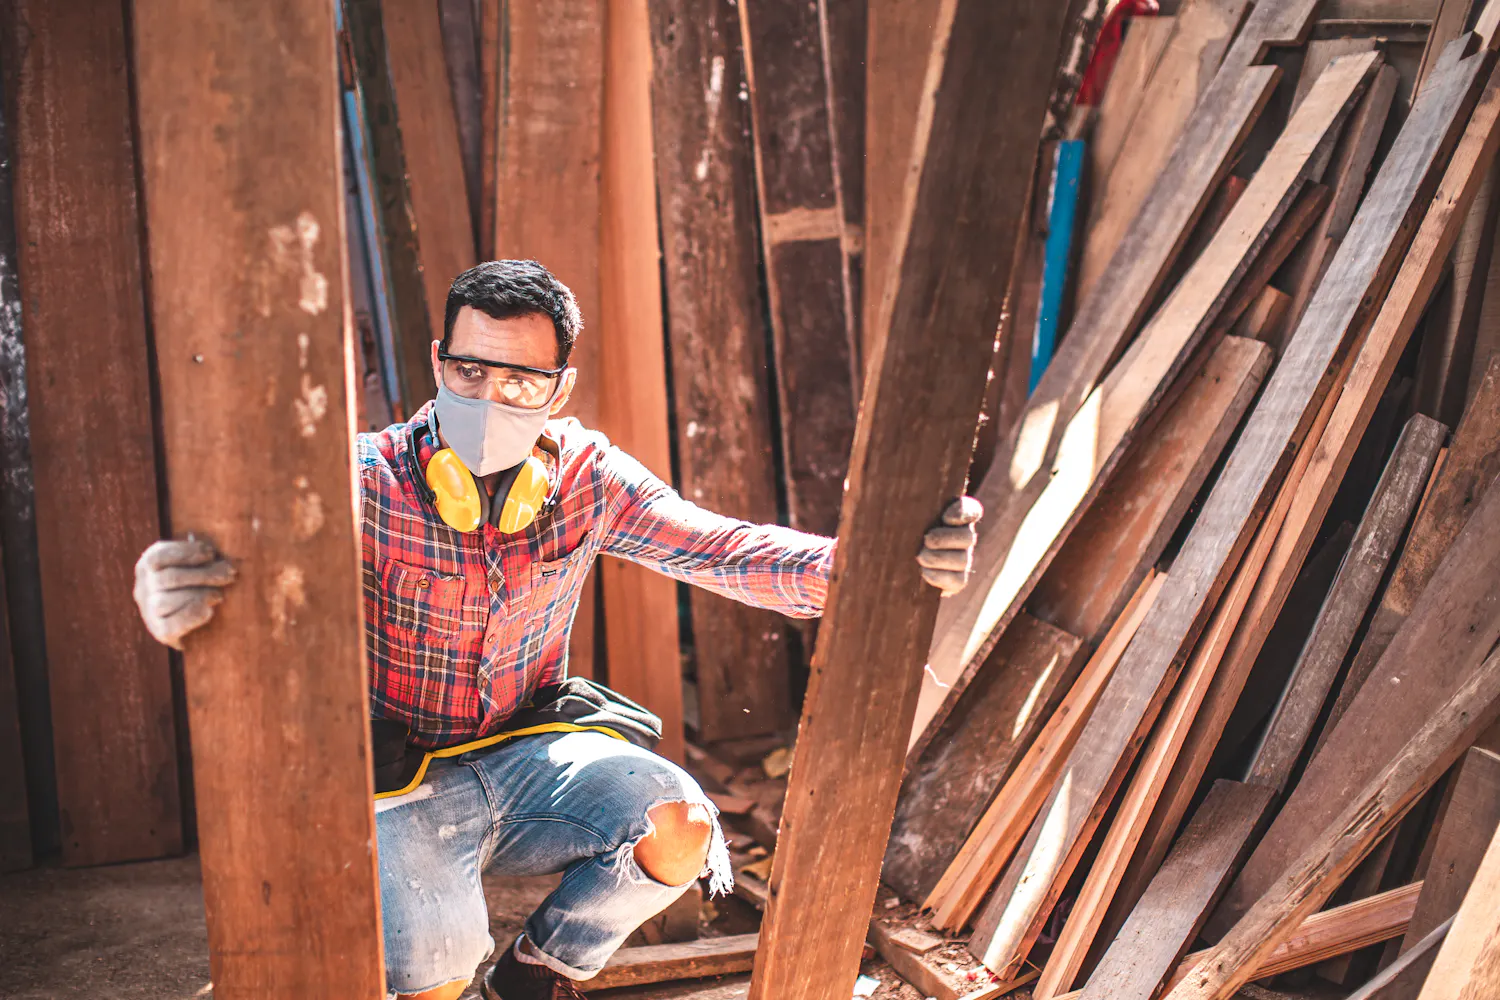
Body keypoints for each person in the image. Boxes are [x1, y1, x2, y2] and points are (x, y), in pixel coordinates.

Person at [131, 260, 982, 1000]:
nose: (488, 398)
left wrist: (874, 567)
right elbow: (248, 572)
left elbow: (720, 549)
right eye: (469, 370)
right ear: (438, 360)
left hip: (525, 751)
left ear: (560, 389)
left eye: (520, 382)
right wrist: (174, 596)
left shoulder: (587, 478)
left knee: (679, 825)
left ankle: (536, 974)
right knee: (436, 970)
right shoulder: (363, 481)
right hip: (396, 777)